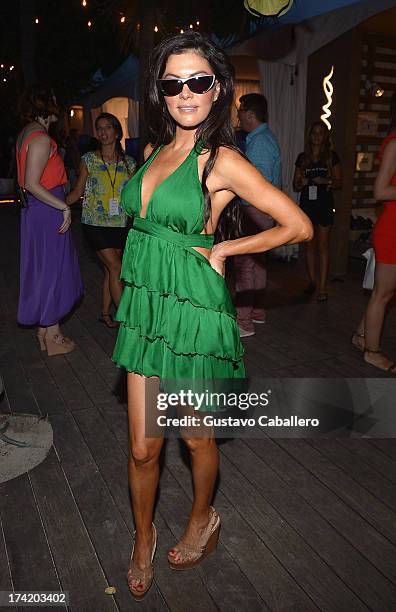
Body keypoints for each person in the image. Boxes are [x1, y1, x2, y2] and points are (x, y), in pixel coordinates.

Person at [112, 31, 312, 600]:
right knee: (142, 446)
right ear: (161, 92)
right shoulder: (155, 149)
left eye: (198, 81)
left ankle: (203, 517)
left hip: (194, 313)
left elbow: (296, 224)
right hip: (149, 307)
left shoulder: (220, 158)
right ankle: (143, 536)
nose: (186, 93)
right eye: (173, 84)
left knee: (196, 440)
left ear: (219, 87)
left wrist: (223, 250)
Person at [16, 84, 83, 356]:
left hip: (37, 210)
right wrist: (64, 207)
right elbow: (32, 183)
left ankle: (45, 330)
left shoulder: (27, 133)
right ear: (47, 105)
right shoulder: (41, 139)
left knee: (45, 269)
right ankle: (53, 336)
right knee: (53, 270)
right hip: (46, 209)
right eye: (55, 100)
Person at [66, 113, 136, 327]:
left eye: (108, 127)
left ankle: (105, 313)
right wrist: (56, 204)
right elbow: (77, 191)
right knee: (116, 268)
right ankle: (129, 323)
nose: (103, 132)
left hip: (120, 223)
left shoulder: (129, 163)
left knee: (110, 269)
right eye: (99, 128)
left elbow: (134, 196)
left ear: (117, 132)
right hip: (94, 223)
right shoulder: (89, 160)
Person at [352, 91, 396, 374]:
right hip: (392, 228)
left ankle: (361, 336)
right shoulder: (394, 143)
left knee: (385, 292)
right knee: (384, 293)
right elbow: (380, 191)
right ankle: (373, 351)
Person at [234, 93, 282, 337]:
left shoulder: (260, 142)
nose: (238, 116)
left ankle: (244, 322)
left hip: (255, 210)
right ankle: (257, 313)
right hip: (265, 211)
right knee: (259, 265)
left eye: (240, 112)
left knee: (245, 266)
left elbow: (258, 184)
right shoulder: (263, 137)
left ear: (250, 114)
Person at [293, 120, 342, 301]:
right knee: (309, 245)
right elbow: (295, 184)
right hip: (307, 205)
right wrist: (303, 182)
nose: (317, 136)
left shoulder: (331, 157)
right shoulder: (302, 158)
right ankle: (312, 282)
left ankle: (322, 287)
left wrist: (326, 181)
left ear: (325, 136)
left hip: (324, 205)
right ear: (310, 135)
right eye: (314, 132)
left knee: (323, 246)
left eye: (320, 133)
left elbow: (339, 182)